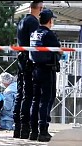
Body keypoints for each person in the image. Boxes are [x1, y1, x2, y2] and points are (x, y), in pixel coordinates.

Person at [29, 9, 62, 142]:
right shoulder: (49, 35)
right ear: (49, 21)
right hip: (47, 70)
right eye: (52, 19)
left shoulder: (34, 34)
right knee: (46, 100)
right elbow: (58, 50)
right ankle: (43, 131)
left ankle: (33, 131)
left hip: (35, 69)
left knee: (35, 100)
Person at [14, 1, 44, 139]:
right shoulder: (33, 23)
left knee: (21, 93)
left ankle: (19, 127)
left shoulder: (22, 21)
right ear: (40, 9)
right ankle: (25, 127)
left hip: (21, 59)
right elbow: (36, 42)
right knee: (29, 94)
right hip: (29, 61)